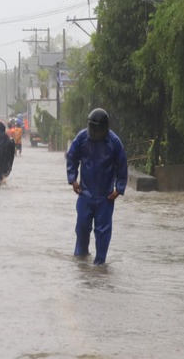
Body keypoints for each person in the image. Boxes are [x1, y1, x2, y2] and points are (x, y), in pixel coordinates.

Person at [65, 108, 128, 265]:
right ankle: (81, 259)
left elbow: (122, 166)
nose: (95, 133)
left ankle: (100, 264)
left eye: (98, 130)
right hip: (85, 194)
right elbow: (71, 158)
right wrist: (73, 180)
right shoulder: (81, 138)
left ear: (105, 128)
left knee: (103, 233)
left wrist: (118, 190)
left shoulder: (114, 143)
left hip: (105, 197)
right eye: (92, 129)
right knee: (81, 228)